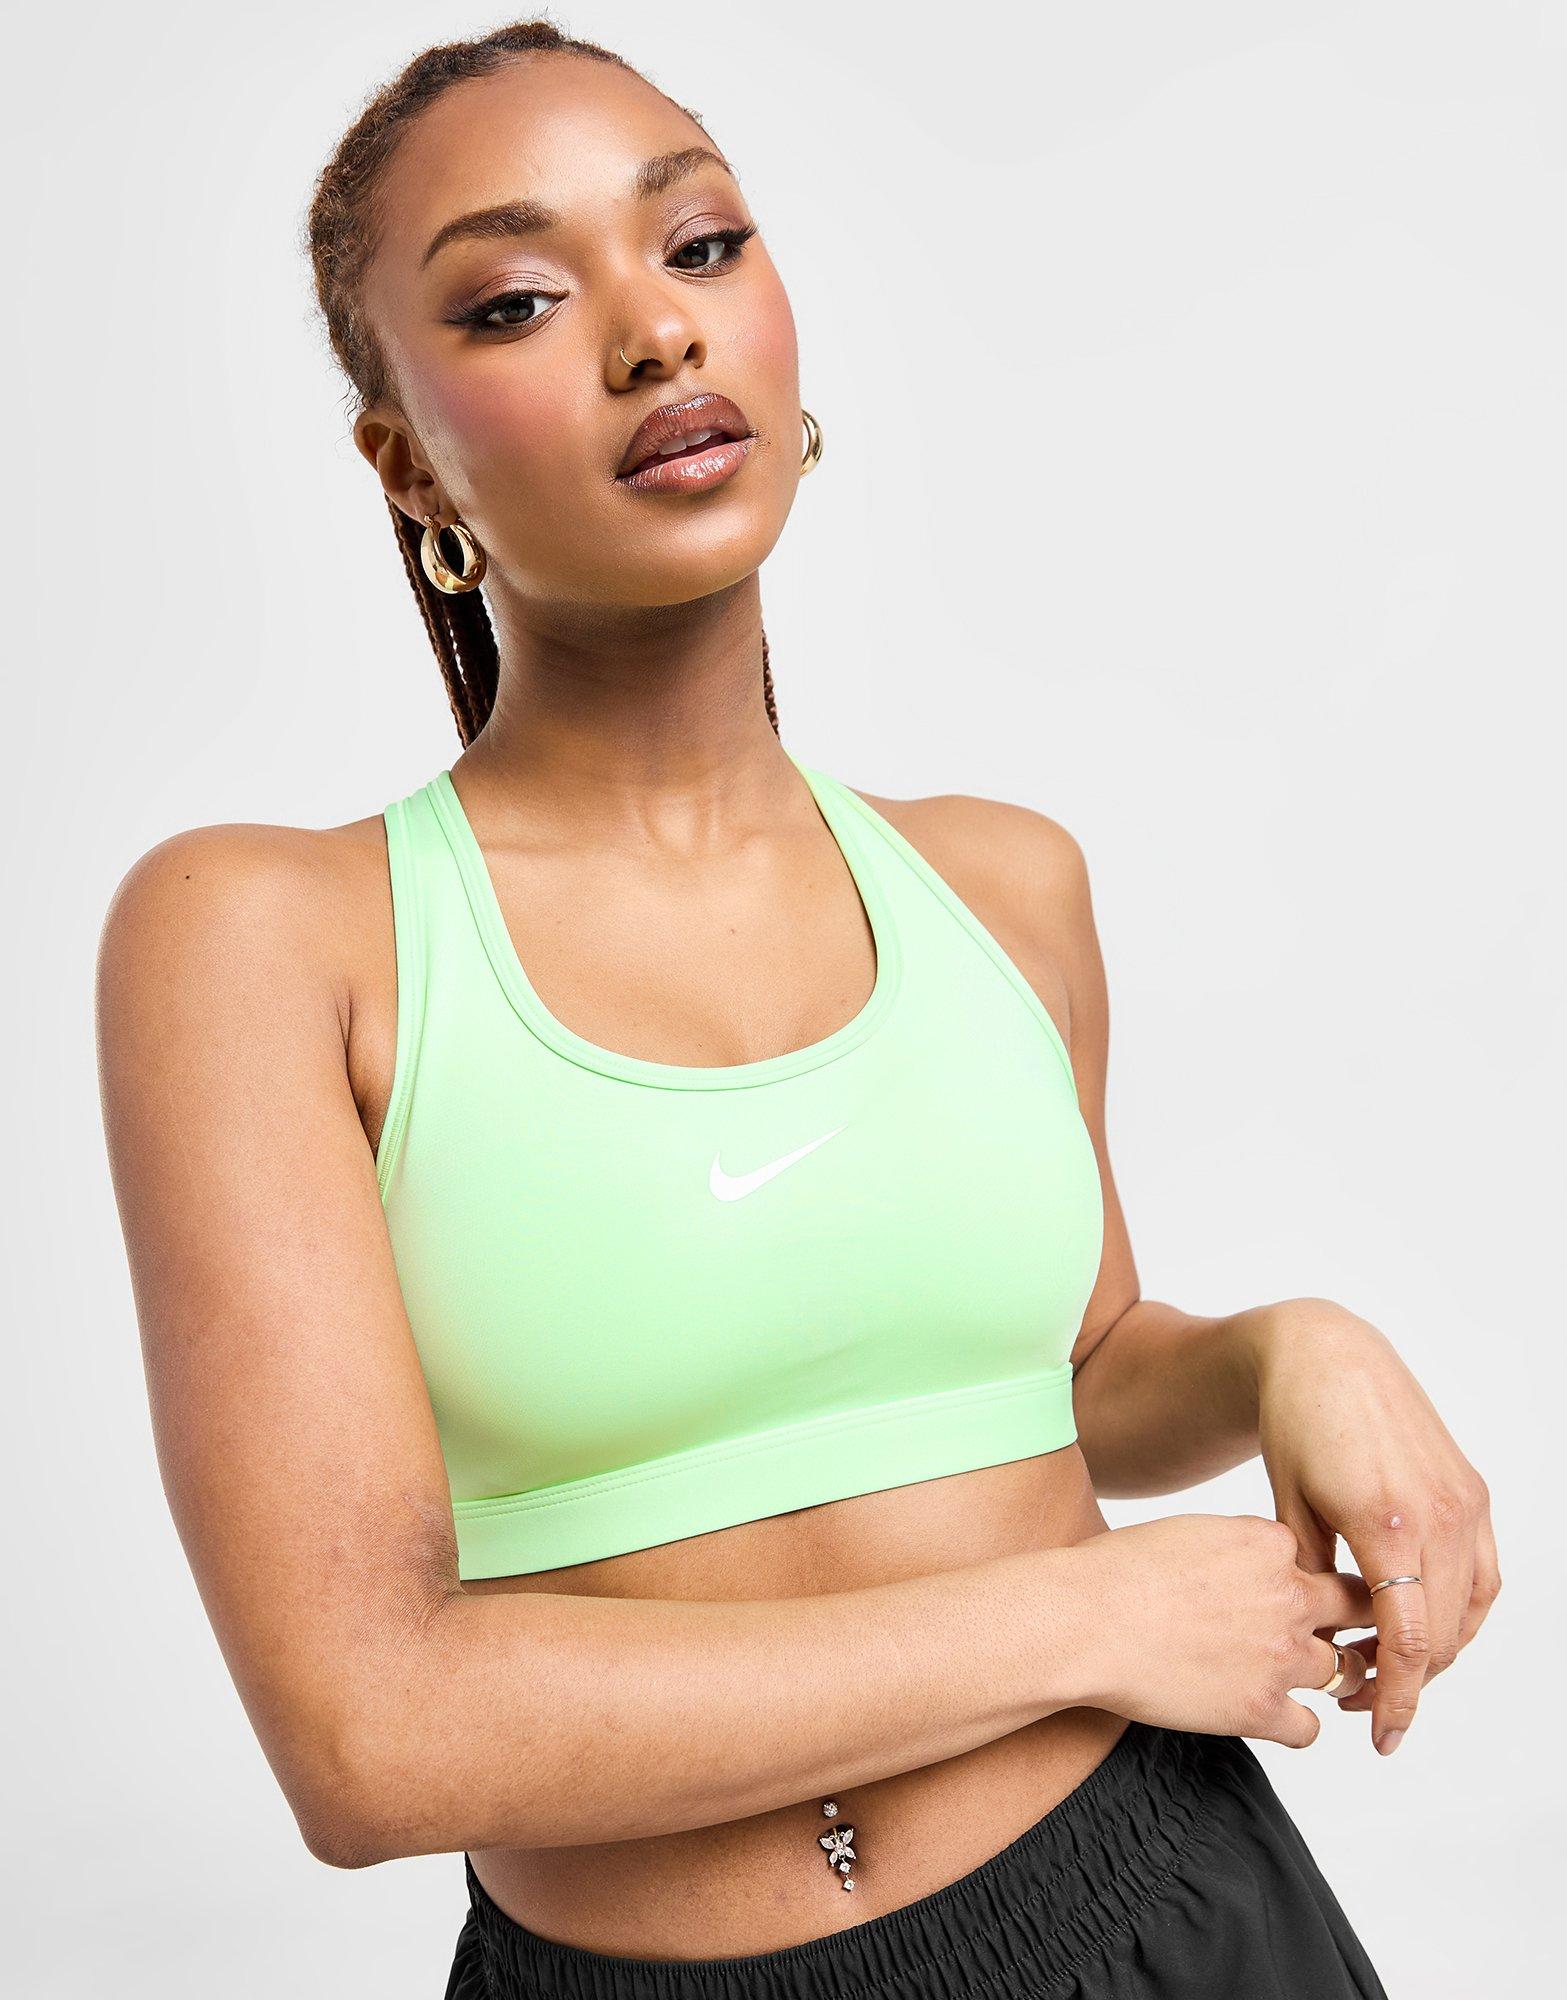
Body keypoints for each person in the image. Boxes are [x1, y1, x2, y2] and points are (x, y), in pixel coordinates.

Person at [94, 20, 1500, 1999]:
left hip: (1174, 1910)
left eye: (700, 245)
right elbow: (366, 1732)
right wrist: (1077, 1621)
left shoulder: (1001, 885)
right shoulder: (266, 938)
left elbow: (1077, 1378)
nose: (654, 331)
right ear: (405, 462)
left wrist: (1293, 1347)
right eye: (516, 299)